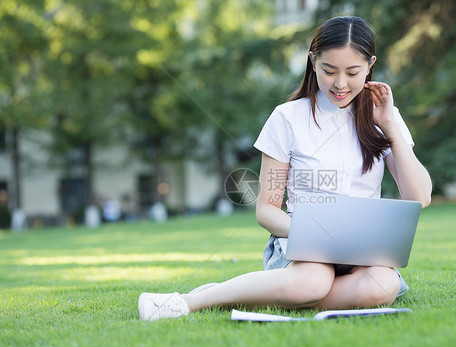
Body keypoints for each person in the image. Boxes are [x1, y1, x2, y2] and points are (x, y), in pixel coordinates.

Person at [138, 16, 432, 321]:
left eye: (353, 72)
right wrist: (318, 237)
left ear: (370, 65)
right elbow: (266, 210)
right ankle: (190, 300)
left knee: (382, 286)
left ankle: (258, 294)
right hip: (300, 245)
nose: (340, 83)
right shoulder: (288, 118)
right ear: (313, 62)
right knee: (313, 281)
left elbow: (419, 196)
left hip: (363, 250)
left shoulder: (385, 116)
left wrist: (390, 128)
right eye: (329, 71)